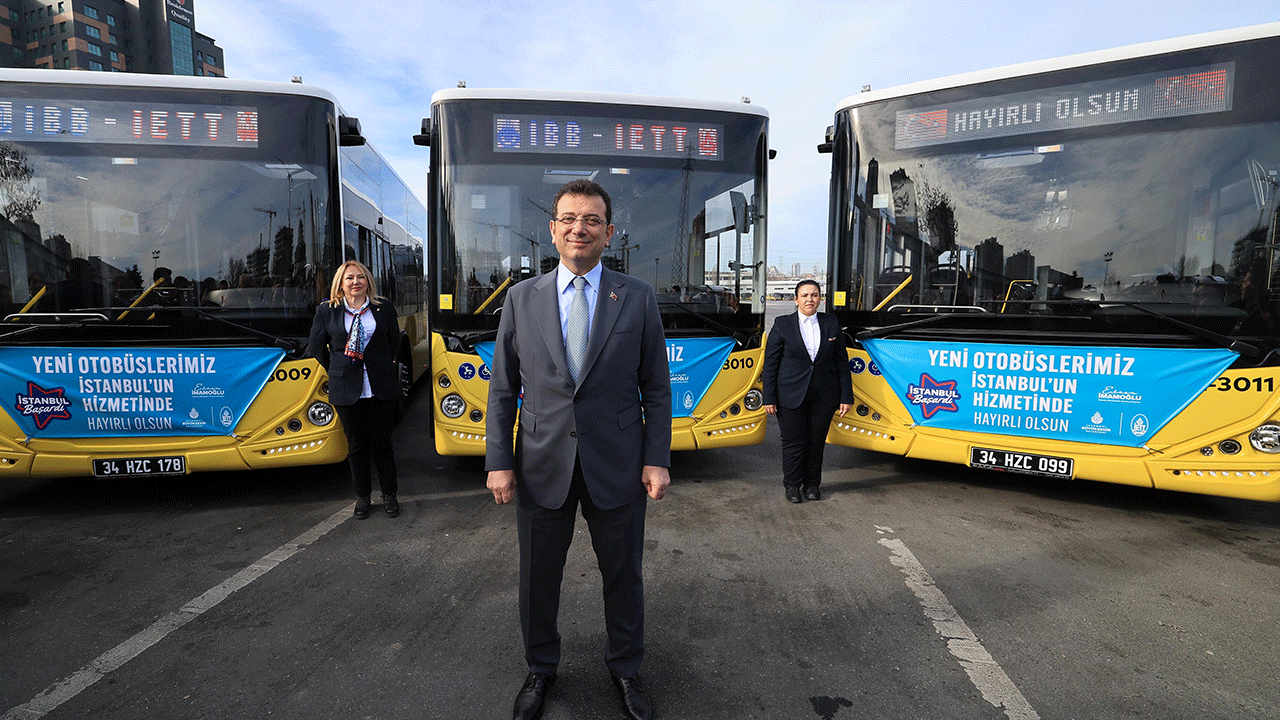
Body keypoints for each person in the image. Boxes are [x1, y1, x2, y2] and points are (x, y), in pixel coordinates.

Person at [486, 179, 671, 720]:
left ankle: (626, 669)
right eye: (568, 218)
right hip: (542, 464)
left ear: (608, 233)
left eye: (591, 219)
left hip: (618, 464)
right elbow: (503, 389)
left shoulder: (637, 297)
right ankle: (540, 668)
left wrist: (656, 458)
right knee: (538, 579)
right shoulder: (521, 299)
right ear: (553, 229)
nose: (579, 228)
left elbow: (657, 388)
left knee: (624, 577)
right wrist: (499, 462)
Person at [307, 260, 403, 519]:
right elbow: (316, 347)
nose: (355, 282)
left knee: (382, 444)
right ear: (341, 283)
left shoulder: (383, 308)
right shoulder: (327, 311)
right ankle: (362, 497)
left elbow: (393, 342)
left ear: (368, 282)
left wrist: (380, 364)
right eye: (349, 278)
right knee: (356, 446)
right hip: (346, 388)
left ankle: (390, 494)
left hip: (381, 386)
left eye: (360, 277)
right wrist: (338, 369)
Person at [761, 279, 853, 503]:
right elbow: (770, 365)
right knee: (793, 442)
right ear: (796, 299)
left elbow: (842, 362)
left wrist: (846, 396)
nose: (809, 299)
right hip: (790, 394)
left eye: (814, 295)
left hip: (824, 395)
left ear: (820, 299)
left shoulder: (831, 322)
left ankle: (812, 485)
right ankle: (792, 486)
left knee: (816, 442)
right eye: (804, 295)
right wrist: (769, 398)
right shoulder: (782, 324)